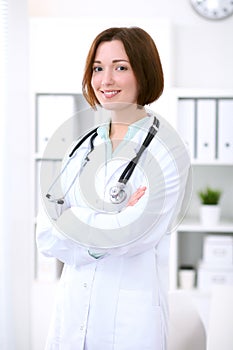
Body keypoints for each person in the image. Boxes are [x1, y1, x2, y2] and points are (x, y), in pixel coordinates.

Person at [37, 26, 190, 350]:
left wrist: (75, 220)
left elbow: (135, 236)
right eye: (97, 68)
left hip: (129, 326)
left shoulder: (166, 151)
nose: (105, 80)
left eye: (120, 67)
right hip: (71, 317)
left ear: (143, 73)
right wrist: (111, 222)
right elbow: (46, 234)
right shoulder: (80, 147)